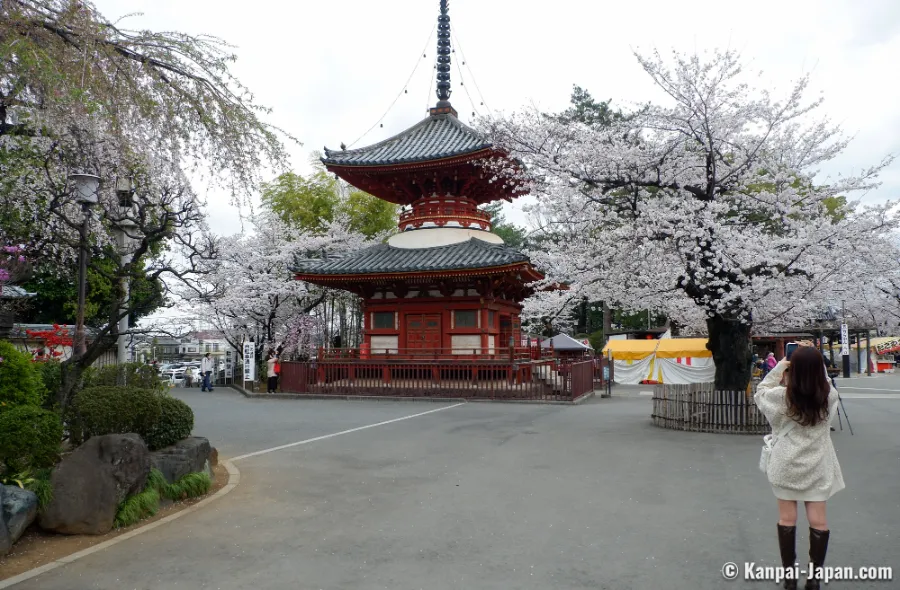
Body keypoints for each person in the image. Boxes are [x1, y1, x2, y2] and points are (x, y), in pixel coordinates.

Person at [754, 342, 844, 590]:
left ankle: (790, 577)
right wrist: (816, 362)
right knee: (819, 521)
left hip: (786, 465)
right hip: (818, 465)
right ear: (819, 369)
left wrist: (780, 366)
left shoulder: (782, 397)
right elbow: (822, 380)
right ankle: (814, 579)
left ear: (792, 368)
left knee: (786, 519)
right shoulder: (829, 396)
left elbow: (761, 390)